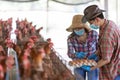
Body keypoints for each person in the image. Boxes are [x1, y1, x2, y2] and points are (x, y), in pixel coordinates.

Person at [82, 5, 120, 80]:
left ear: (97, 19)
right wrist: (95, 53)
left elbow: (106, 59)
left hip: (112, 71)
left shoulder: (107, 35)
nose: (90, 25)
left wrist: (92, 68)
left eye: (90, 23)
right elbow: (108, 47)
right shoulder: (108, 23)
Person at [66, 14, 99, 80]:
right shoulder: (71, 39)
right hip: (78, 63)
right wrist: (76, 54)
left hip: (92, 62)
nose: (78, 30)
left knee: (93, 78)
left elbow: (99, 48)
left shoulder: (94, 34)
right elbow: (70, 54)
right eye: (75, 28)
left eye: (80, 28)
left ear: (85, 28)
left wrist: (96, 55)